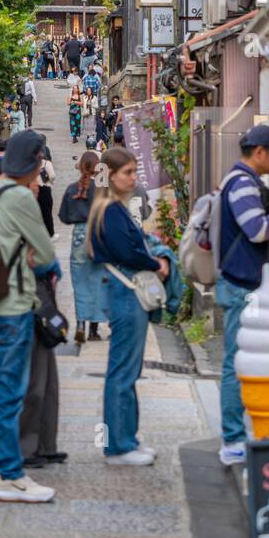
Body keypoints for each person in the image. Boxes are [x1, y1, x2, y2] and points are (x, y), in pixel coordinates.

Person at [0, 130, 58, 504]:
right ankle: (10, 474)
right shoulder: (19, 196)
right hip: (13, 304)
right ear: (33, 161)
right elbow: (48, 252)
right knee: (8, 391)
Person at [216, 124, 269, 467]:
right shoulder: (243, 184)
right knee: (236, 361)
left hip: (240, 282)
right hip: (239, 283)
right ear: (260, 152)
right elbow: (258, 230)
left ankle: (237, 434)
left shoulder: (238, 182)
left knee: (239, 359)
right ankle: (232, 439)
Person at [88, 148, 168, 465]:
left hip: (124, 292)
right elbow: (128, 252)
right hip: (125, 292)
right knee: (123, 371)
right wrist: (156, 263)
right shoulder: (110, 210)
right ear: (111, 175)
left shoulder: (109, 207)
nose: (134, 178)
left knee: (126, 369)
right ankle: (118, 446)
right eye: (128, 173)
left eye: (135, 172)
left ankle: (127, 439)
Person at [19, 175, 67, 470]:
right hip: (28, 295)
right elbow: (45, 255)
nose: (39, 184)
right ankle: (26, 448)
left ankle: (45, 444)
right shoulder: (15, 208)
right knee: (33, 377)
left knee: (46, 375)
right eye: (33, 179)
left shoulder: (32, 204)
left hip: (41, 293)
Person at [59, 150, 107, 343]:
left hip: (79, 235)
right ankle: (93, 330)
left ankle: (80, 325)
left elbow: (63, 216)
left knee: (80, 283)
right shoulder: (101, 189)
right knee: (97, 281)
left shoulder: (72, 189)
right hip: (98, 234)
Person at [67, 72, 83, 144]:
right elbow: (68, 103)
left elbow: (82, 104)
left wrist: (76, 102)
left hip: (78, 111)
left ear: (78, 89)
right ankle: (73, 137)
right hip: (72, 111)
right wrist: (71, 102)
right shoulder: (70, 95)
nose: (75, 90)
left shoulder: (80, 96)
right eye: (74, 88)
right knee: (72, 124)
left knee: (77, 123)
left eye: (76, 88)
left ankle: (76, 136)